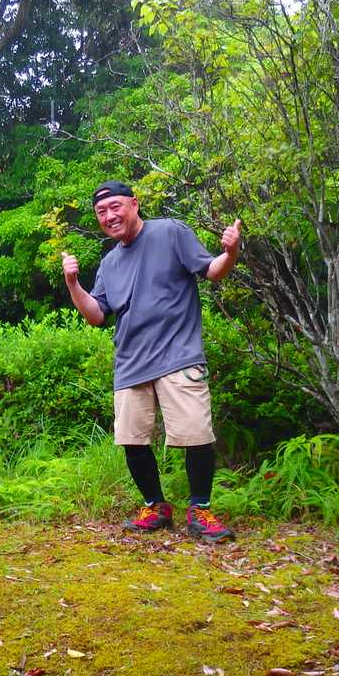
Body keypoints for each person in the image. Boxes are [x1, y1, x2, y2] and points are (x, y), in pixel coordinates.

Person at [61, 180, 242, 542]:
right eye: (101, 212)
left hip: (178, 355)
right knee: (132, 439)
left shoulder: (170, 233)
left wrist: (231, 252)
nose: (109, 216)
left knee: (195, 434)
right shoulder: (109, 263)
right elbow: (96, 315)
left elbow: (212, 271)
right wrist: (72, 283)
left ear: (134, 204)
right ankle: (156, 507)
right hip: (131, 363)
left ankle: (200, 510)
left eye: (115, 207)